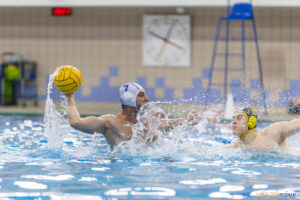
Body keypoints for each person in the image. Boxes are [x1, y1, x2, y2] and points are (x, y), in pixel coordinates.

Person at [66, 82, 199, 148]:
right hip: (120, 171)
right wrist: (69, 96)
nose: (147, 99)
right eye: (141, 95)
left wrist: (185, 120)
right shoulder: (109, 122)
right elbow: (76, 122)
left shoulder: (146, 120)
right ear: (129, 99)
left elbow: (166, 123)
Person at [229, 107, 300, 151]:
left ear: (251, 122)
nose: (234, 122)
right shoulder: (238, 146)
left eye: (239, 118)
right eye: (233, 118)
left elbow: (297, 124)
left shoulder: (272, 133)